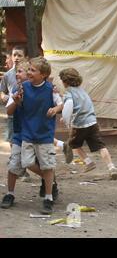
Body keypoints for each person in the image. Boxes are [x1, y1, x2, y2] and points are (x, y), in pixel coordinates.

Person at [5, 57, 63, 214]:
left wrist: (56, 109)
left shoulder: (50, 89)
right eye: (26, 70)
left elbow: (61, 103)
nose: (20, 74)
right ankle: (12, 193)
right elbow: (9, 110)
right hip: (25, 134)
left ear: (43, 74)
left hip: (43, 135)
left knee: (47, 165)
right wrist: (16, 101)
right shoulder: (21, 88)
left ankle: (48, 197)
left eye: (30, 70)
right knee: (24, 163)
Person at [59, 68, 117, 180]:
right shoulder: (82, 91)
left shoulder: (69, 93)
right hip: (92, 122)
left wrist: (66, 120)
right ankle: (111, 167)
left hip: (79, 125)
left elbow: (69, 106)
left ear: (65, 81)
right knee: (101, 146)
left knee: (74, 145)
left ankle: (89, 162)